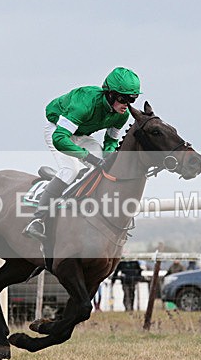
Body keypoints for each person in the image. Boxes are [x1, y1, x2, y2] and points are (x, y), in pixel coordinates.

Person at [23, 67, 142, 242]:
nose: (127, 104)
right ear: (110, 94)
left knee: (103, 166)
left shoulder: (121, 115)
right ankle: (37, 220)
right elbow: (60, 139)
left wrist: (109, 156)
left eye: (132, 99)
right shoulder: (85, 103)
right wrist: (88, 157)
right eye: (123, 99)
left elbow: (110, 141)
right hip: (58, 131)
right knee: (70, 170)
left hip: (81, 134)